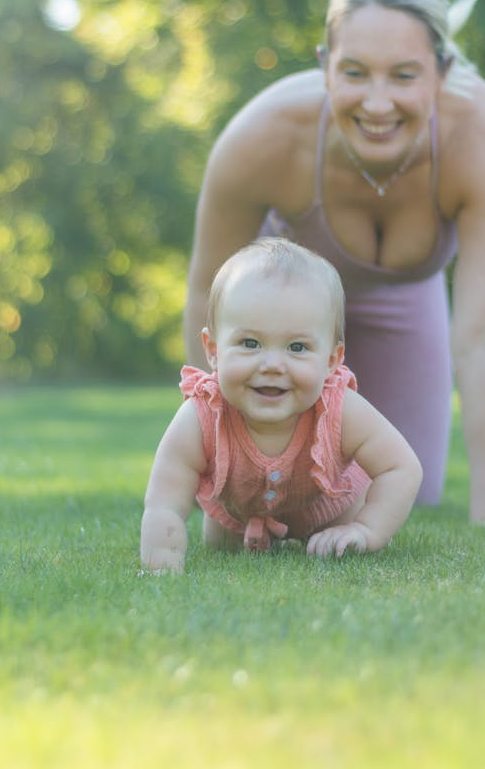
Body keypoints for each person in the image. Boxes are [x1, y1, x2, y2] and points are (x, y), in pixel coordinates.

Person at [184, 0, 485, 526]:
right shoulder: (263, 135)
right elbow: (207, 295)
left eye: (403, 75)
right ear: (324, 67)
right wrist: (216, 479)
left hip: (405, 302)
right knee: (289, 502)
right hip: (279, 311)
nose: (376, 103)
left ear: (441, 70)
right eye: (354, 73)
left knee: (406, 489)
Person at [140, 238, 422, 573]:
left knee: (342, 548)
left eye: (298, 347)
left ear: (332, 359)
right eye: (250, 343)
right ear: (213, 350)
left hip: (332, 512)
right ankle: (245, 532)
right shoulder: (202, 414)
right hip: (237, 517)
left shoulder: (340, 408)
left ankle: (342, 532)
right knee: (222, 548)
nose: (272, 364)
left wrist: (366, 529)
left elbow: (401, 467)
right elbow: (164, 500)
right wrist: (162, 560)